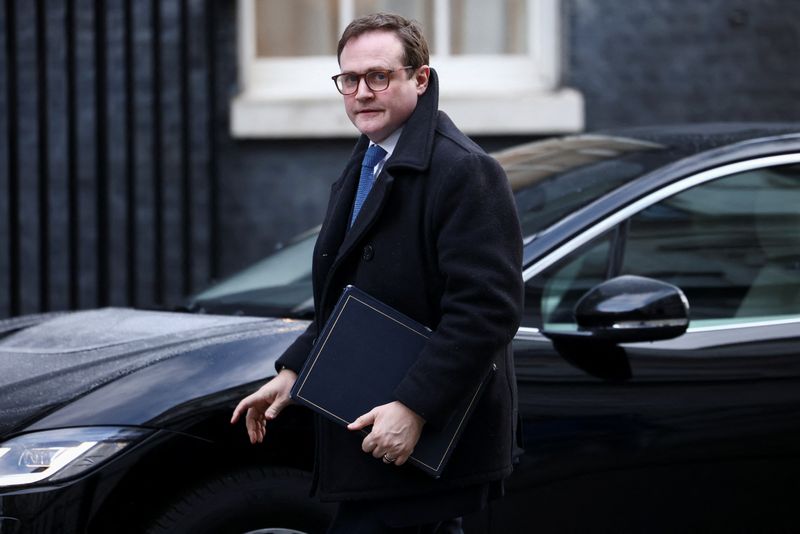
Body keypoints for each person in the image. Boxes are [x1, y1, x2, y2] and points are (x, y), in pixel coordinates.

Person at [231, 12, 523, 533]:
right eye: (350, 79)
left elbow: (486, 312)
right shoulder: (368, 158)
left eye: (379, 76)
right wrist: (295, 372)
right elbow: (352, 292)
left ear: (421, 78)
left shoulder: (465, 170)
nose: (362, 92)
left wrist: (415, 408)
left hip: (422, 435)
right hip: (369, 429)